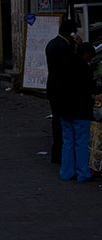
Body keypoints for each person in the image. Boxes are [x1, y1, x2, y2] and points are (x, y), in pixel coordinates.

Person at [57, 42, 95, 182]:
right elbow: (88, 90)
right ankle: (82, 173)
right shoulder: (84, 69)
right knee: (81, 142)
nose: (90, 60)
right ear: (85, 55)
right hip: (80, 110)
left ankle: (66, 172)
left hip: (65, 109)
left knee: (68, 142)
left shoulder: (64, 64)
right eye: (90, 57)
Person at [46, 19, 79, 165]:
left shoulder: (52, 44)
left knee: (57, 120)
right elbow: (70, 66)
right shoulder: (64, 47)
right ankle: (61, 153)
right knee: (62, 121)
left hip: (53, 87)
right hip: (62, 89)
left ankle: (57, 152)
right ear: (71, 33)